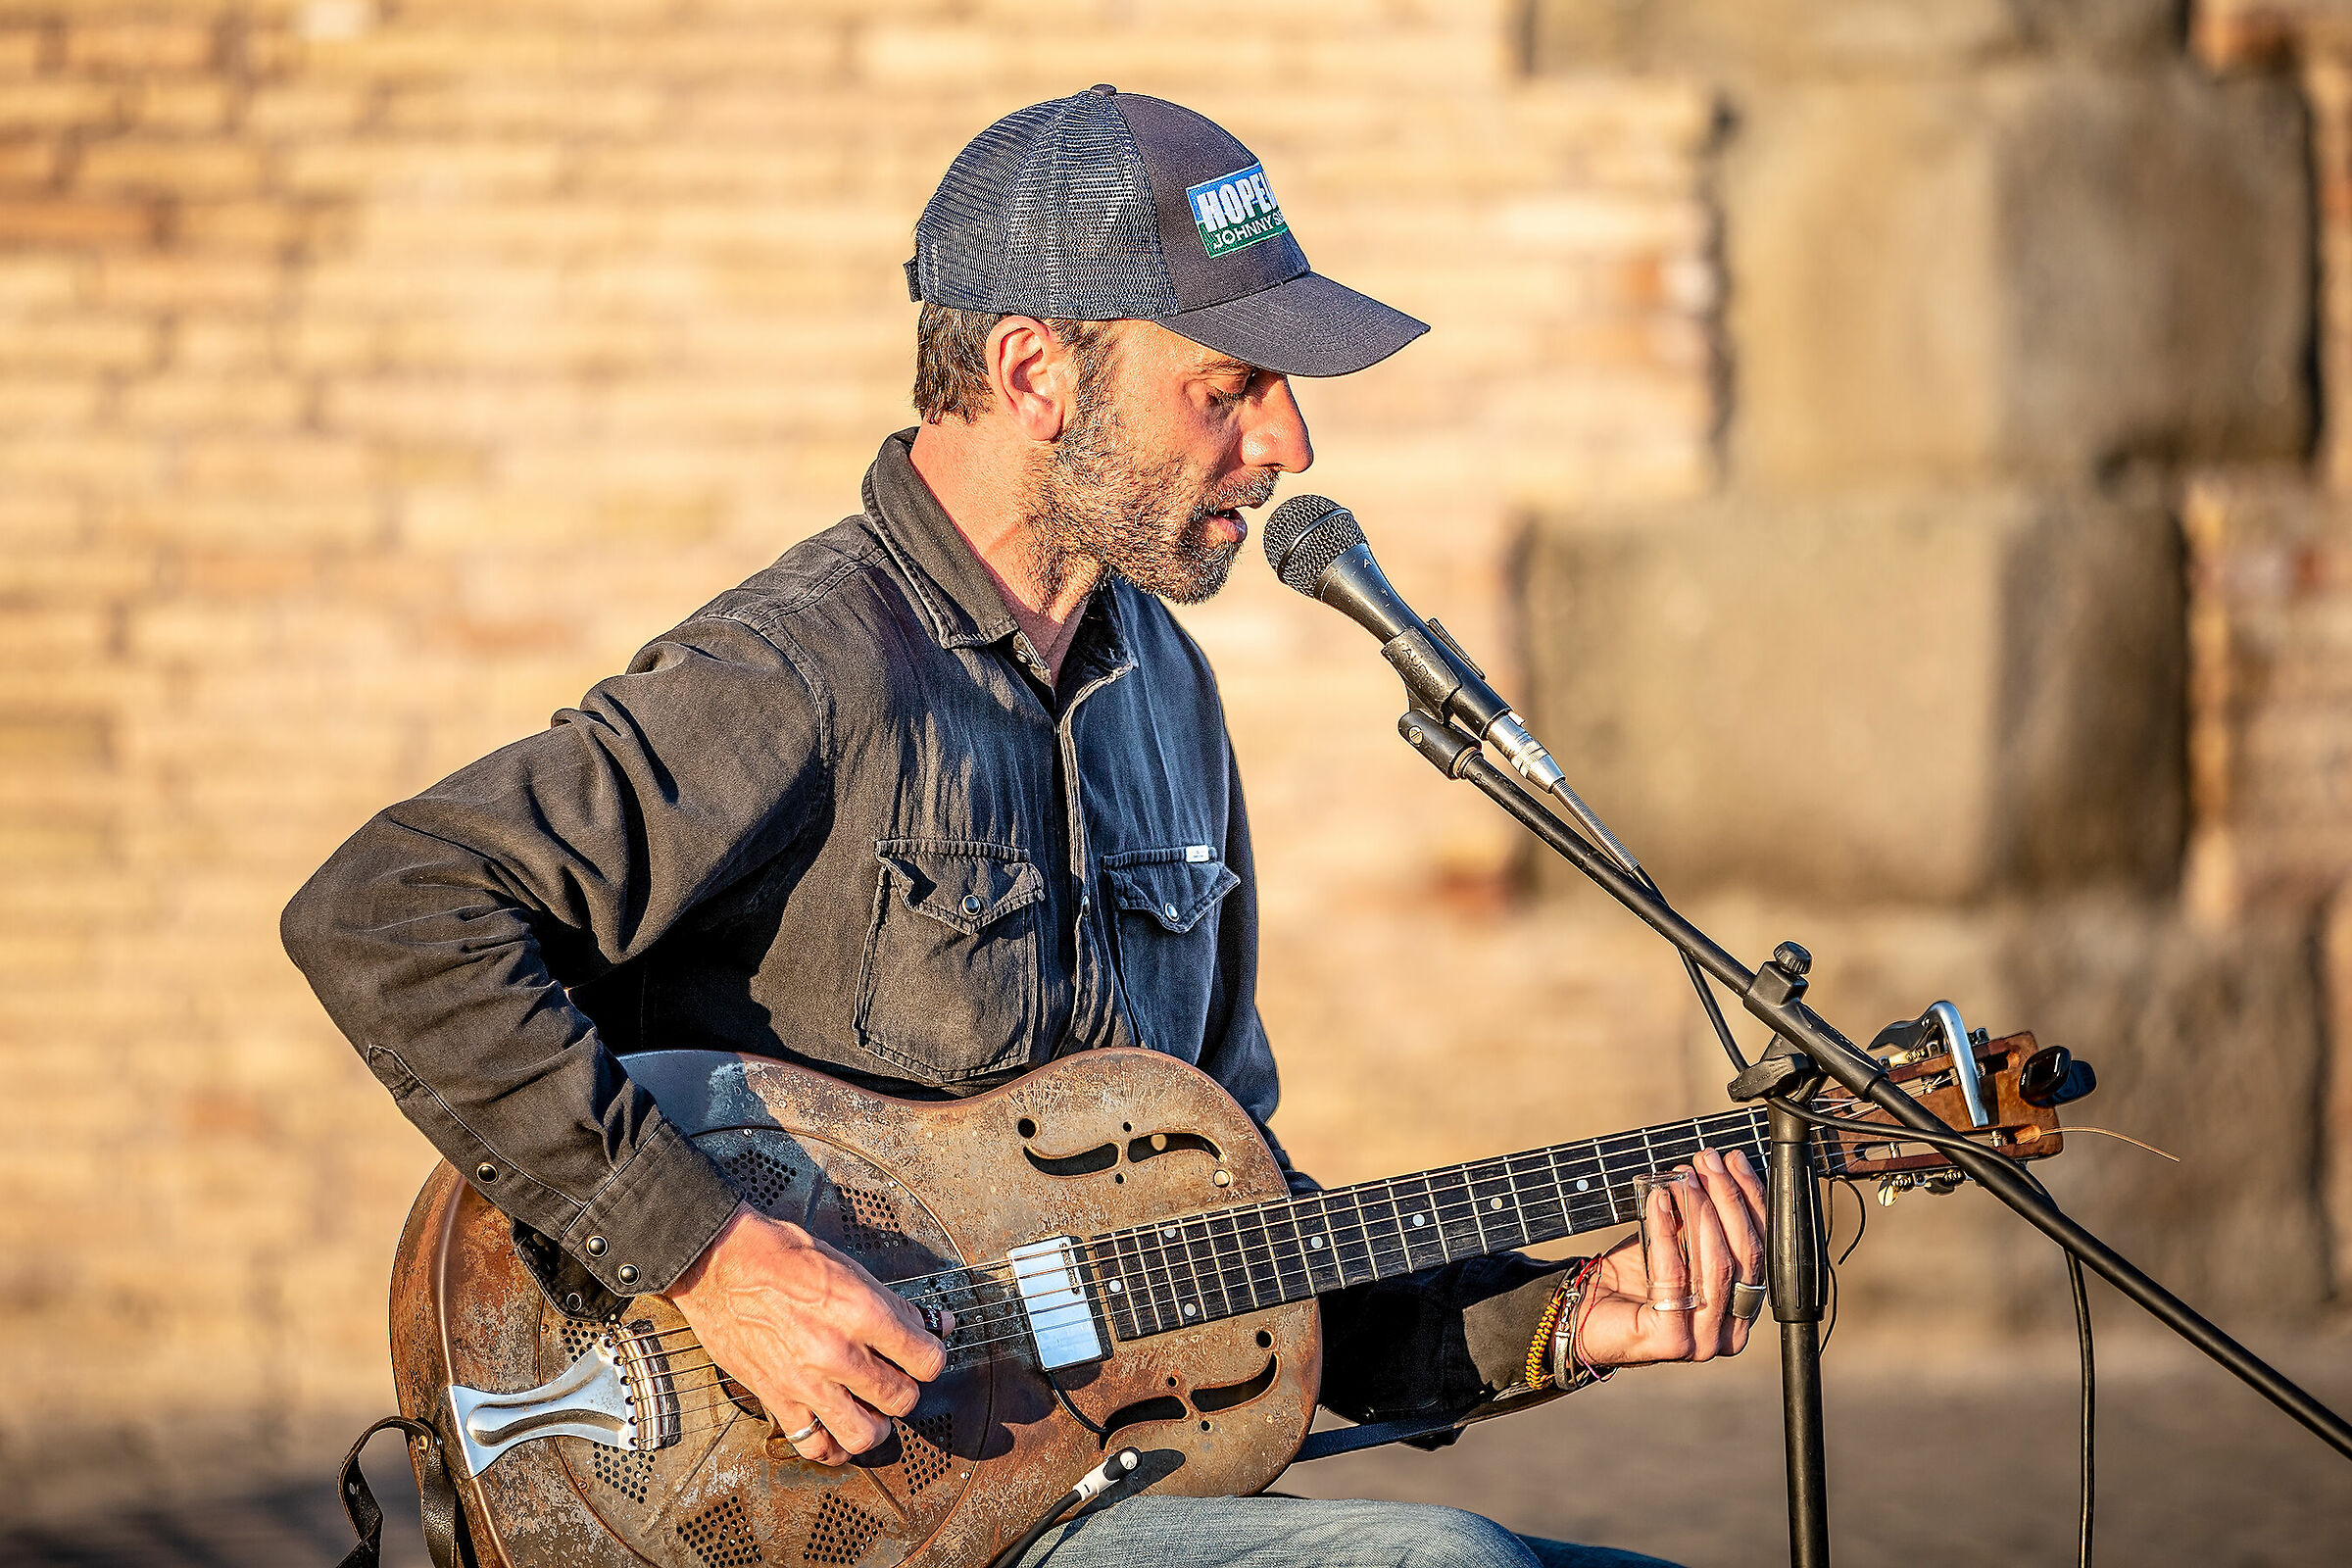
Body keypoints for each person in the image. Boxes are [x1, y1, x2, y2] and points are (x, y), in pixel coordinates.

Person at [283, 87, 1766, 1568]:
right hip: (783, 1508)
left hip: (1091, 1500)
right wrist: (715, 1258)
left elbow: (1229, 1242)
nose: (1291, 442)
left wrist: (1565, 1320)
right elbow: (392, 908)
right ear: (1034, 372)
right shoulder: (803, 669)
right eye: (1232, 384)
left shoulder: (1165, 696)